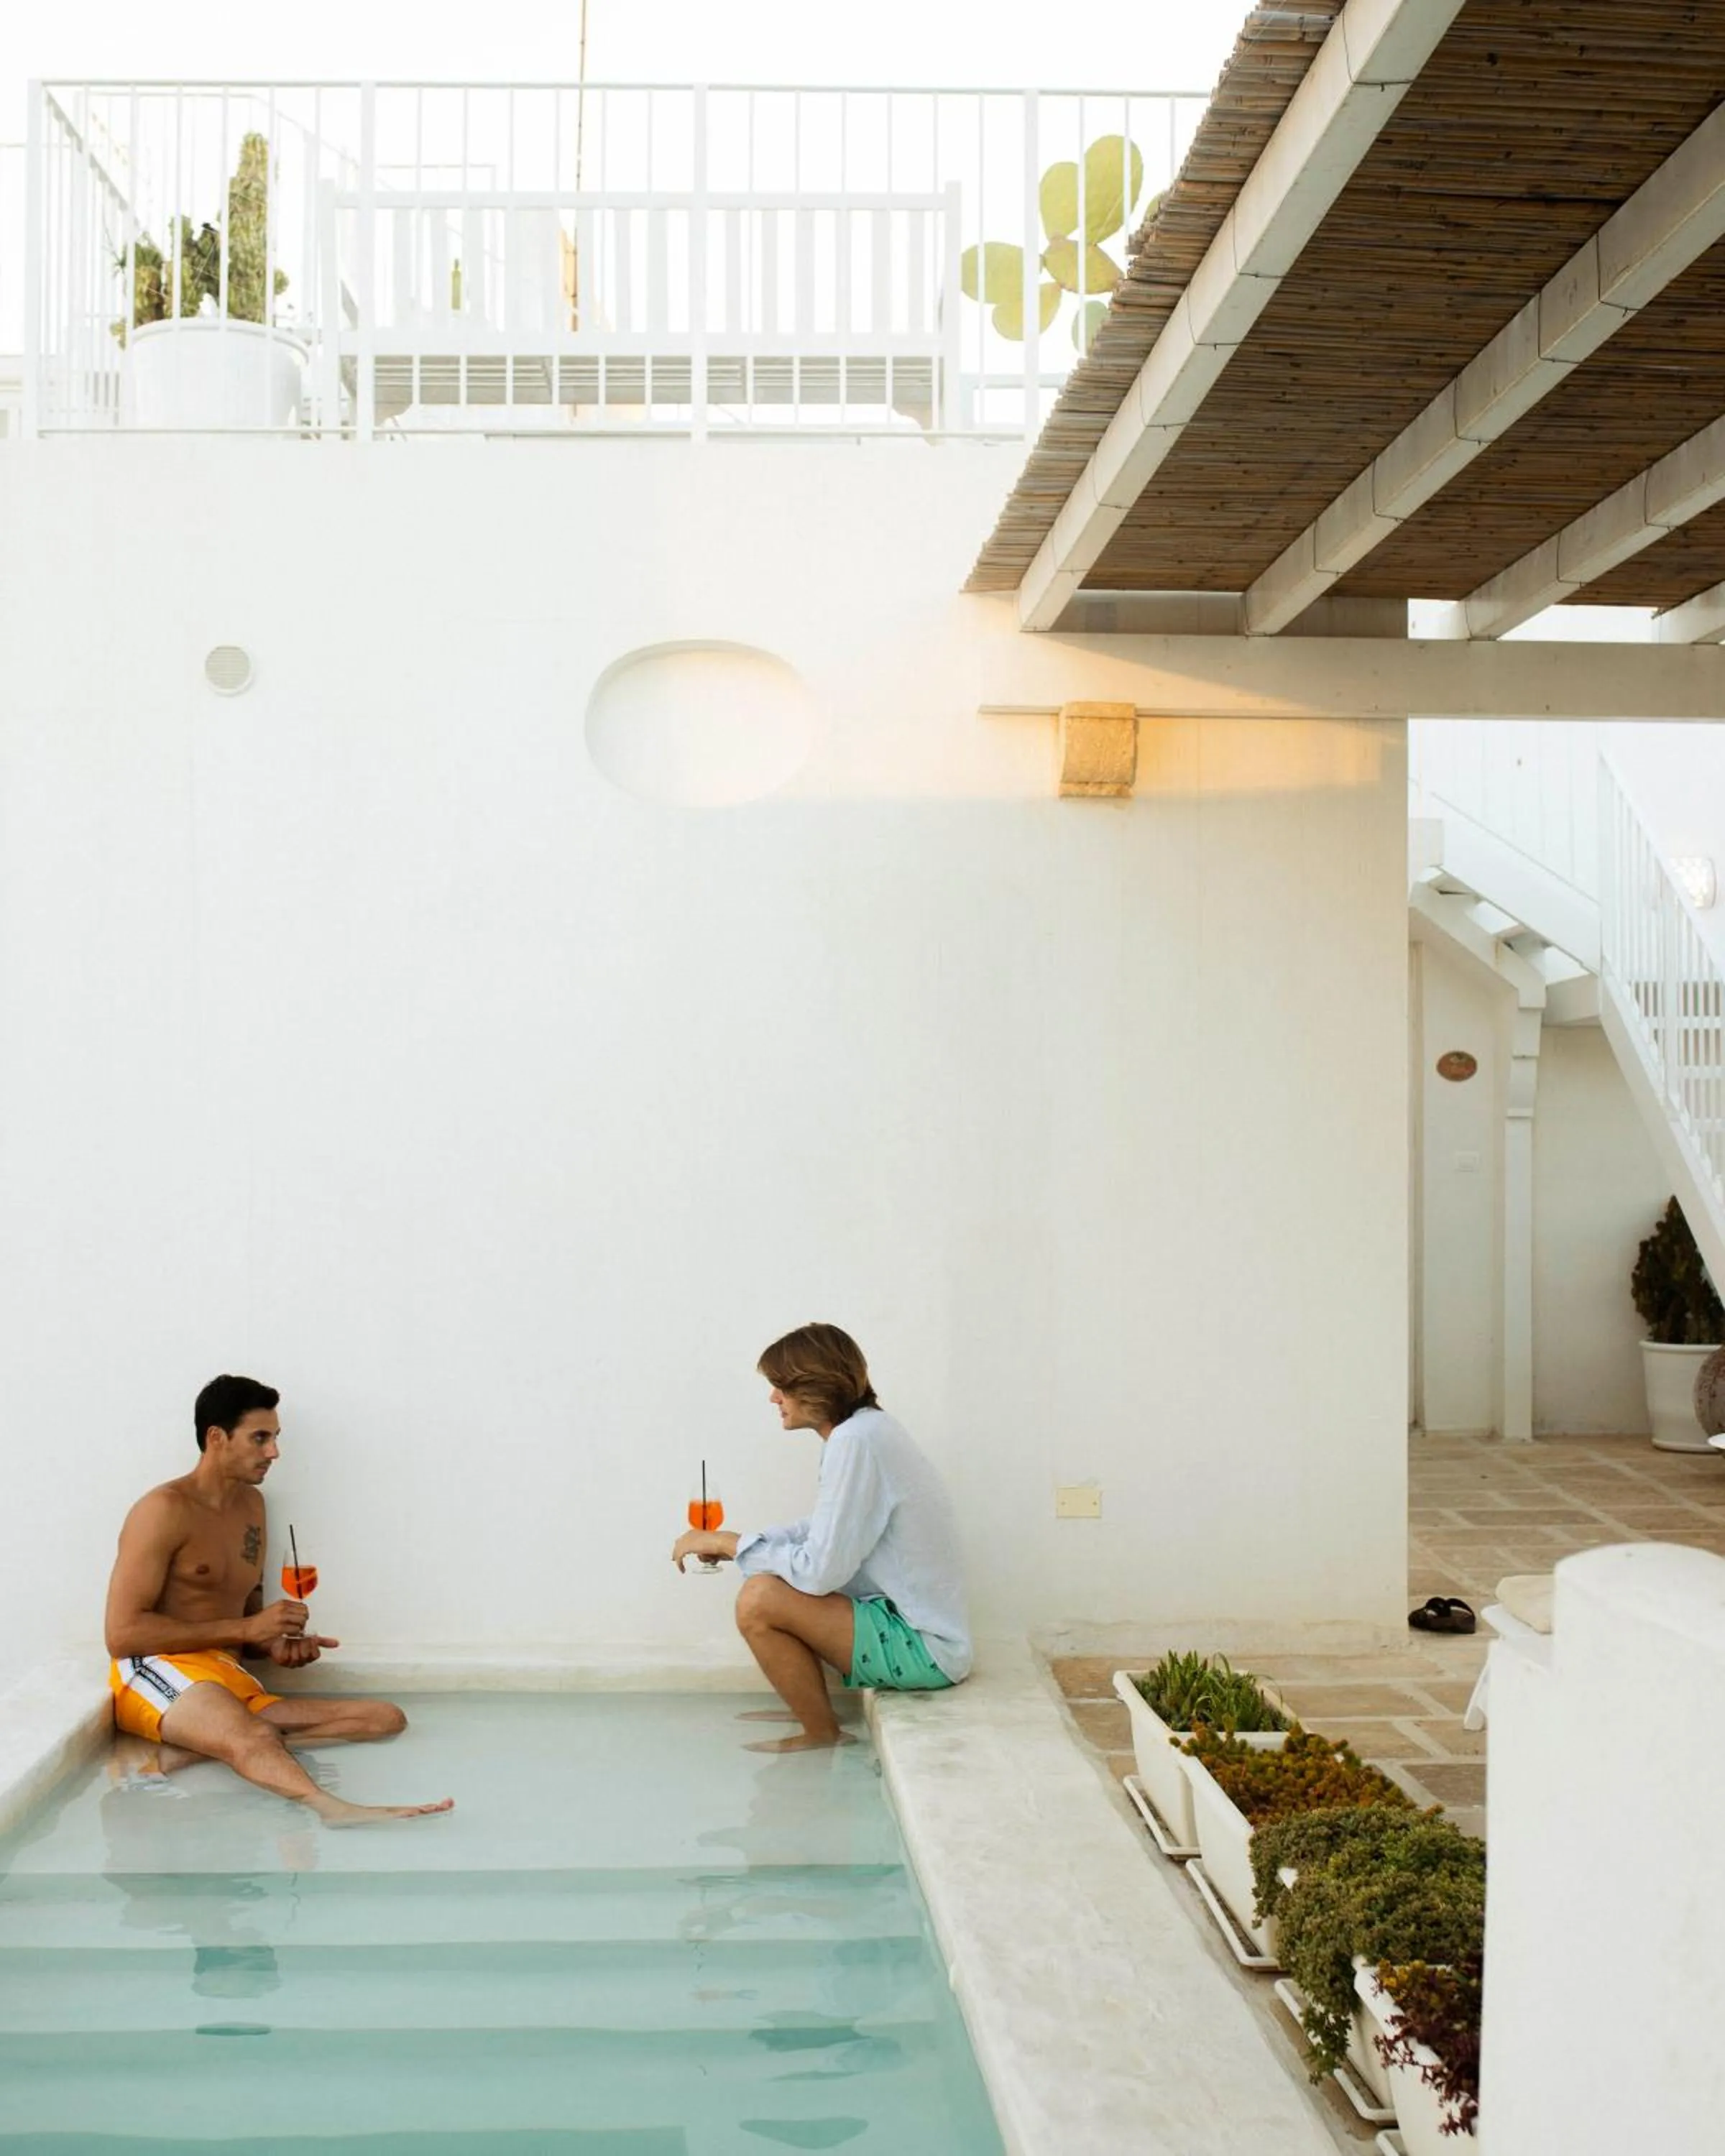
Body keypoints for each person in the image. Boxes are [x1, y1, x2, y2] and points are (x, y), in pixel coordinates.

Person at [104, 1374, 453, 1828]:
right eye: (260, 1438)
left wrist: (273, 1644)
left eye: (275, 1438)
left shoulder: (253, 1506)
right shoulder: (162, 1510)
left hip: (226, 1673)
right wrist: (247, 1630)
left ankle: (194, 1749)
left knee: (383, 1718)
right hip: (158, 1666)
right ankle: (332, 1809)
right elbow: (122, 1635)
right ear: (216, 1437)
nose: (274, 1452)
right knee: (254, 1737)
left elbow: (246, 1616)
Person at [671, 1325, 970, 1752]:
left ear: (814, 1387)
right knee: (766, 1578)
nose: (774, 1398)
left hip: (927, 1650)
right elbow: (822, 1528)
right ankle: (809, 1712)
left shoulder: (855, 1442)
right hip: (916, 1628)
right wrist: (732, 1542)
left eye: (781, 1387)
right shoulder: (866, 1432)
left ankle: (821, 1733)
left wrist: (731, 1544)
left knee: (760, 1598)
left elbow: (820, 1574)